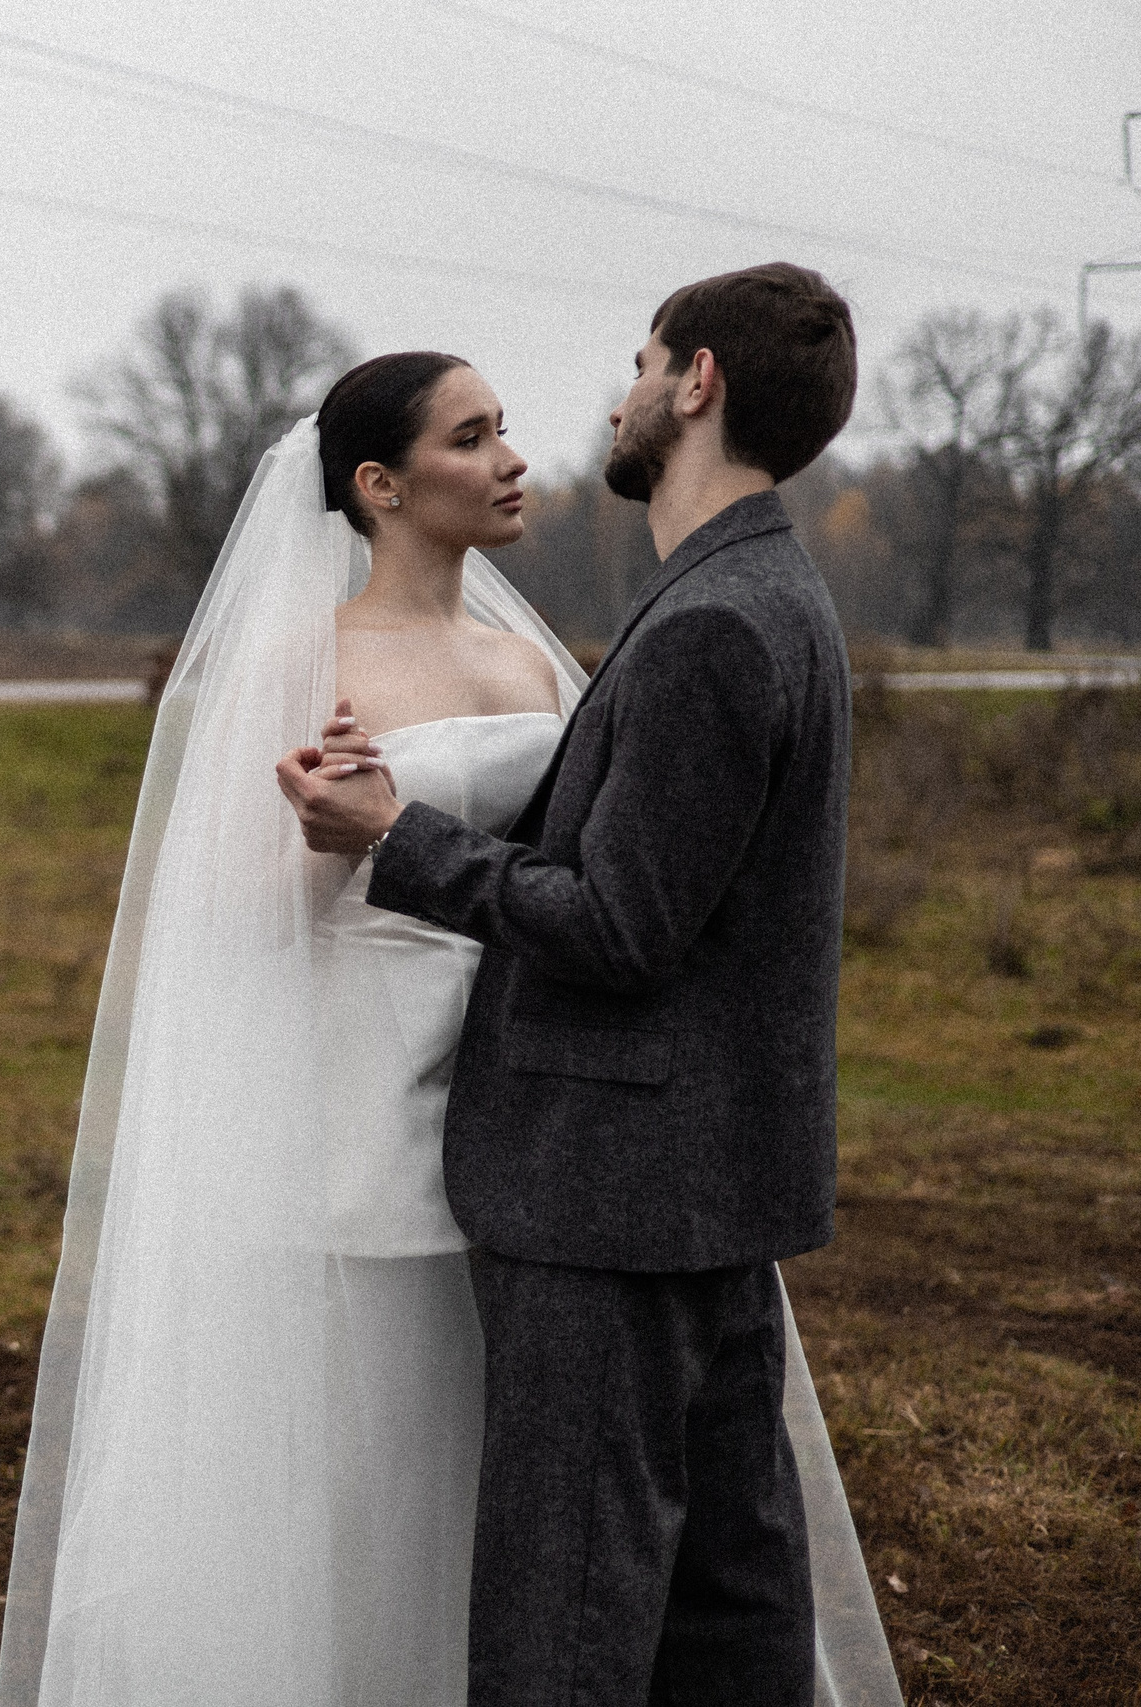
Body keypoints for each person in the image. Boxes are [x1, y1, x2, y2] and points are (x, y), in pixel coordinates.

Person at [0, 301, 899, 1702]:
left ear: (696, 384)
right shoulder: (304, 665)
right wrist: (323, 832)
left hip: (543, 1101)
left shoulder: (538, 661)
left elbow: (599, 878)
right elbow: (239, 916)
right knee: (377, 1451)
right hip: (369, 1085)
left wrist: (399, 834)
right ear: (379, 485)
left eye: (504, 431)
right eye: (473, 437)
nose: (514, 458)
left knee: (537, 1486)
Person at [275, 265, 893, 1705]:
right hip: (709, 1175)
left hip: (611, 1184)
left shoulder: (711, 628)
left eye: (639, 361)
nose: (604, 402)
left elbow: (621, 927)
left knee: (567, 1614)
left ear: (697, 386)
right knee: (729, 1598)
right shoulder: (764, 594)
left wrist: (395, 837)